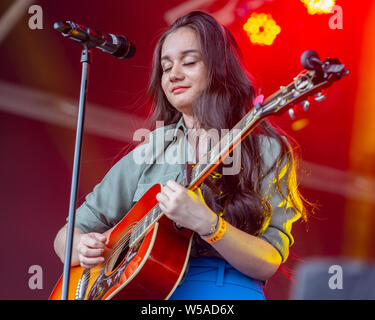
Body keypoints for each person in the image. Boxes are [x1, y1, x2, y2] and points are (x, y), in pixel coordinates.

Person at [53, 11, 306, 300]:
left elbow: (269, 262)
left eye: (189, 62)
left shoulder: (267, 149)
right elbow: (66, 236)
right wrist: (82, 246)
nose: (173, 74)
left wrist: (208, 223)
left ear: (219, 68)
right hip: (146, 294)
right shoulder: (152, 148)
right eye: (166, 66)